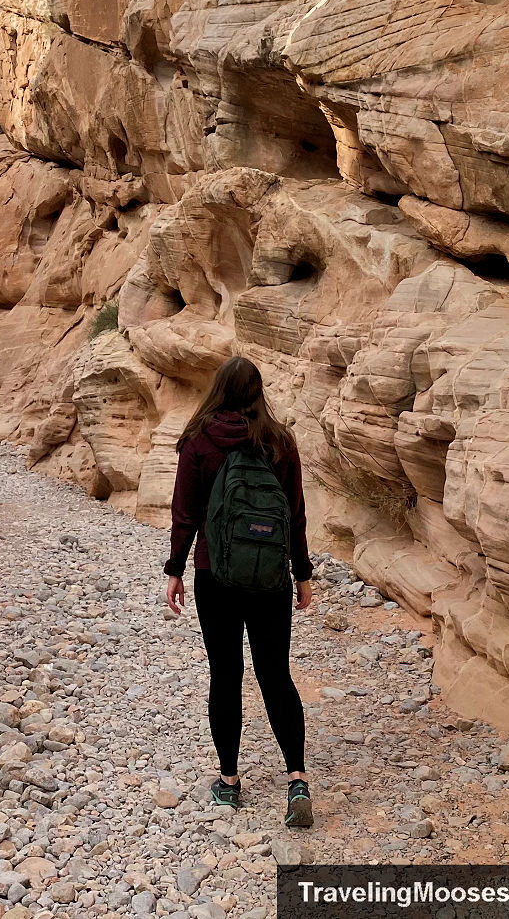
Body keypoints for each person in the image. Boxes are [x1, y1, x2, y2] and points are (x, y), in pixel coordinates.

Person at [164, 355, 314, 828]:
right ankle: (297, 778)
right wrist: (302, 573)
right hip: (269, 578)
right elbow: (294, 514)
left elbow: (185, 514)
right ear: (258, 391)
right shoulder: (279, 441)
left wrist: (175, 569)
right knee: (276, 674)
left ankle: (229, 782)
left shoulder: (199, 441)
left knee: (225, 674)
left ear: (219, 389)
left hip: (216, 575)